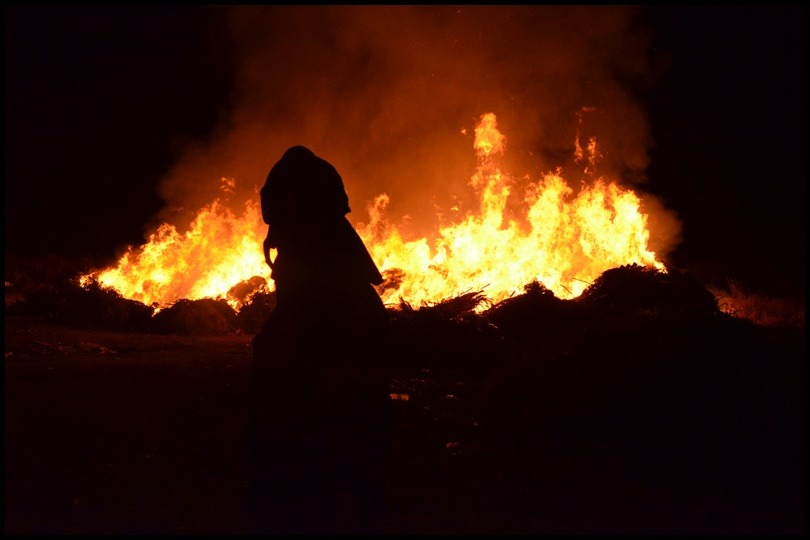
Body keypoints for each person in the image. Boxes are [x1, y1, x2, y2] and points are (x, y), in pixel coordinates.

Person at [246, 146, 391, 534]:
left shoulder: (304, 224)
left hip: (323, 297)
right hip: (334, 294)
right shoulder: (323, 207)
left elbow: (277, 223)